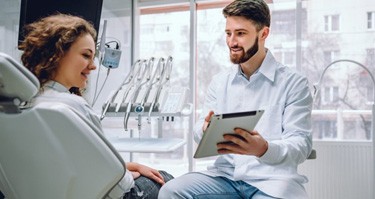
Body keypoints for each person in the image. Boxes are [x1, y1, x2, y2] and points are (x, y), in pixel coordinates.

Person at [158, 0, 313, 198]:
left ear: (263, 34)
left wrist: (264, 149)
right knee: (171, 191)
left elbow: (301, 144)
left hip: (272, 180)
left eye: (240, 33)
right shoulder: (220, 82)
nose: (232, 42)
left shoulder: (294, 83)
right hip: (226, 177)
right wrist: (206, 130)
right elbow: (199, 131)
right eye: (228, 33)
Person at [18, 13, 173, 199]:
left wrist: (126, 166)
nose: (93, 66)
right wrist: (127, 174)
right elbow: (118, 185)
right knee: (166, 179)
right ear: (56, 54)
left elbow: (71, 164)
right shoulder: (72, 106)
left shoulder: (23, 105)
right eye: (86, 56)